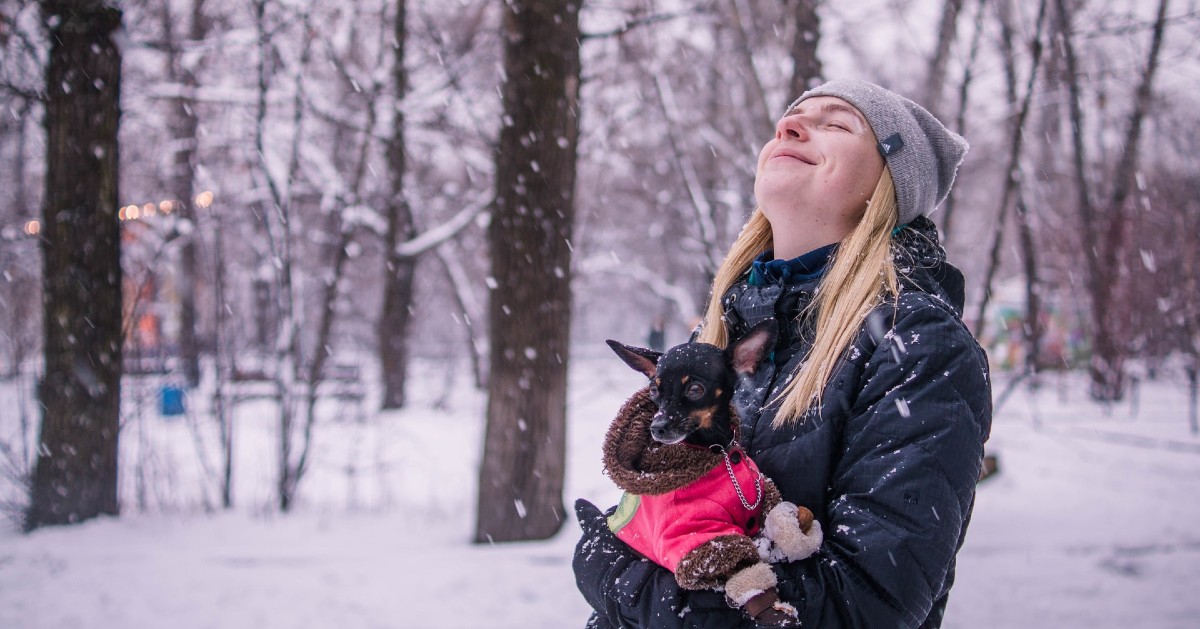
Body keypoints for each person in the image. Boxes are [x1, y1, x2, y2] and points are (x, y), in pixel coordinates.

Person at [573, 78, 992, 628]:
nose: (788, 127)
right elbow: (663, 513)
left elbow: (864, 602)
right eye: (789, 120)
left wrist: (616, 576)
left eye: (838, 124)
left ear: (889, 185)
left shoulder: (917, 345)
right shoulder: (720, 334)